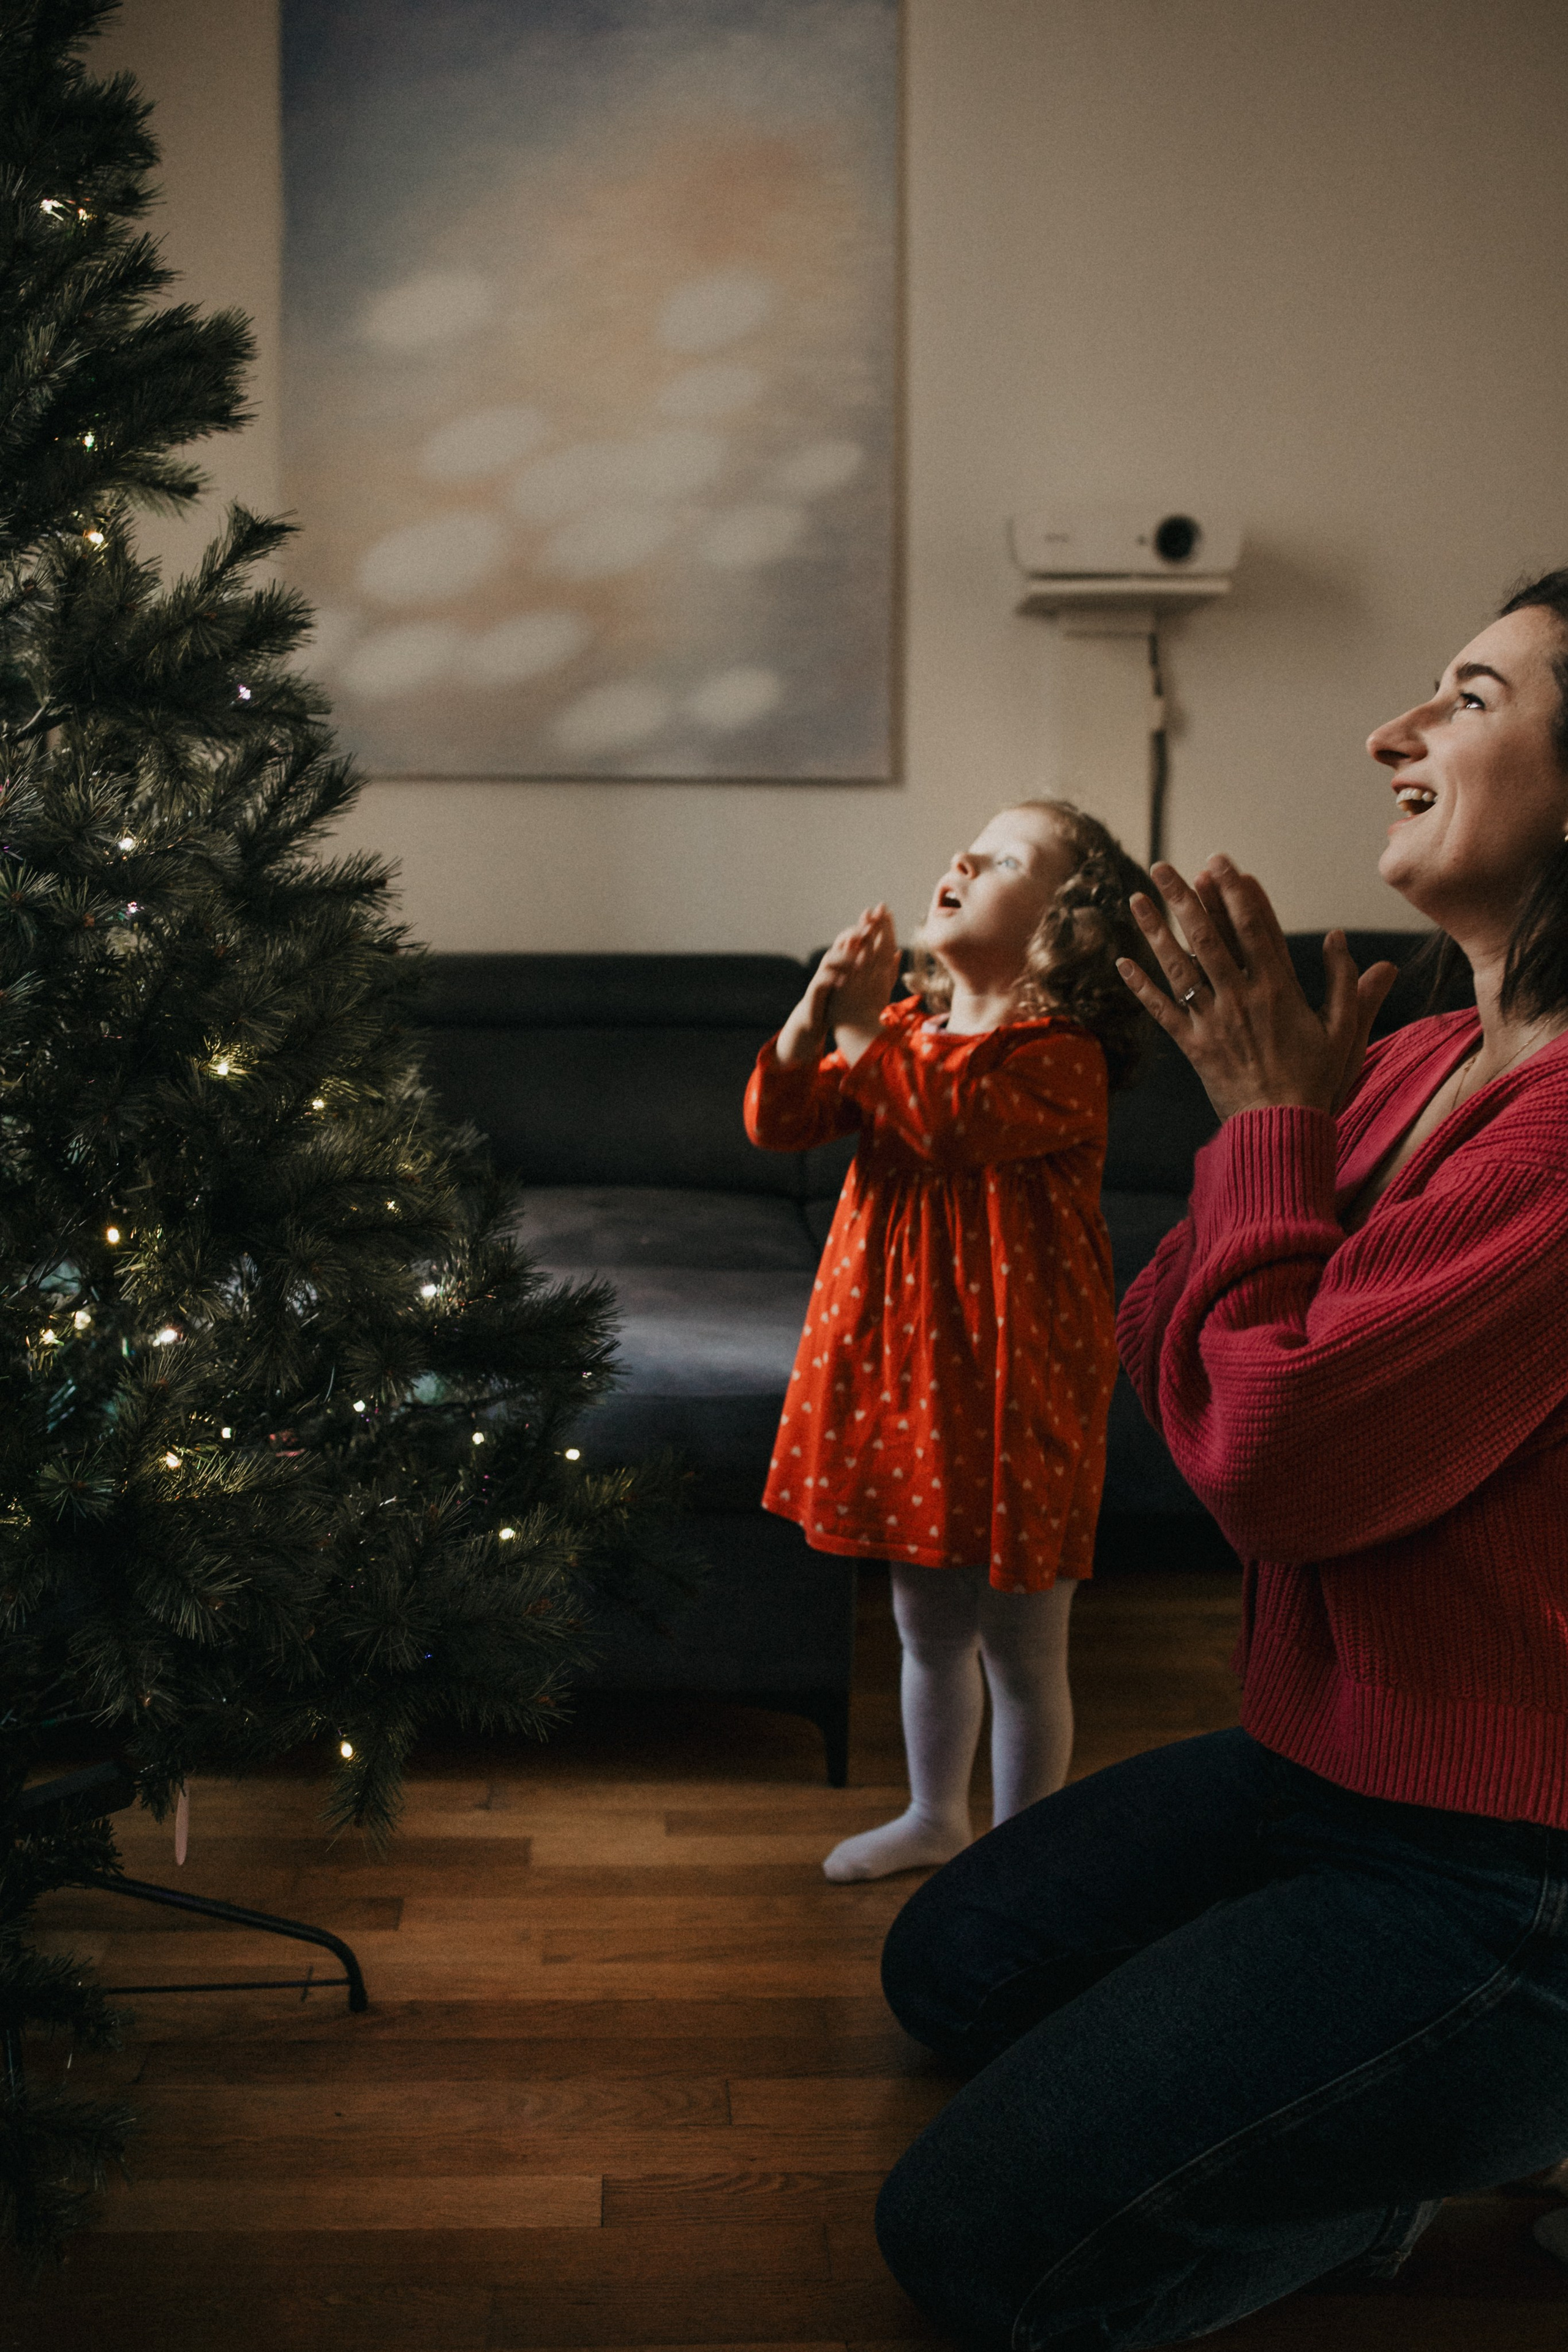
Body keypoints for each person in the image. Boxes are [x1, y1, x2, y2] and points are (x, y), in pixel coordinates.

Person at [871, 574, 1568, 2346]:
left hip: (1510, 1857)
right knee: (946, 1965)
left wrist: (1270, 1132)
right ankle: (1370, 2137)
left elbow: (1263, 1454)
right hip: (1325, 1756)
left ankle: (1465, 2115)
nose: (1391, 733)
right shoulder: (1414, 1059)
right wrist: (1298, 1155)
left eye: (1468, 699)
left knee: (972, 2243)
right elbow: (1161, 1333)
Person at [744, 801, 1155, 1883]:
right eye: (970, 844)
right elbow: (783, 1123)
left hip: (1018, 1382)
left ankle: (1024, 1859)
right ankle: (937, 1816)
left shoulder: (1059, 1055)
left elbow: (945, 1121)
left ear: (1071, 924)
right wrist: (813, 1015)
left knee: (1024, 1645)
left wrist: (859, 1030)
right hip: (910, 1374)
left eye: (1009, 856)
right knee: (923, 1619)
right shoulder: (908, 1034)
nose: (966, 857)